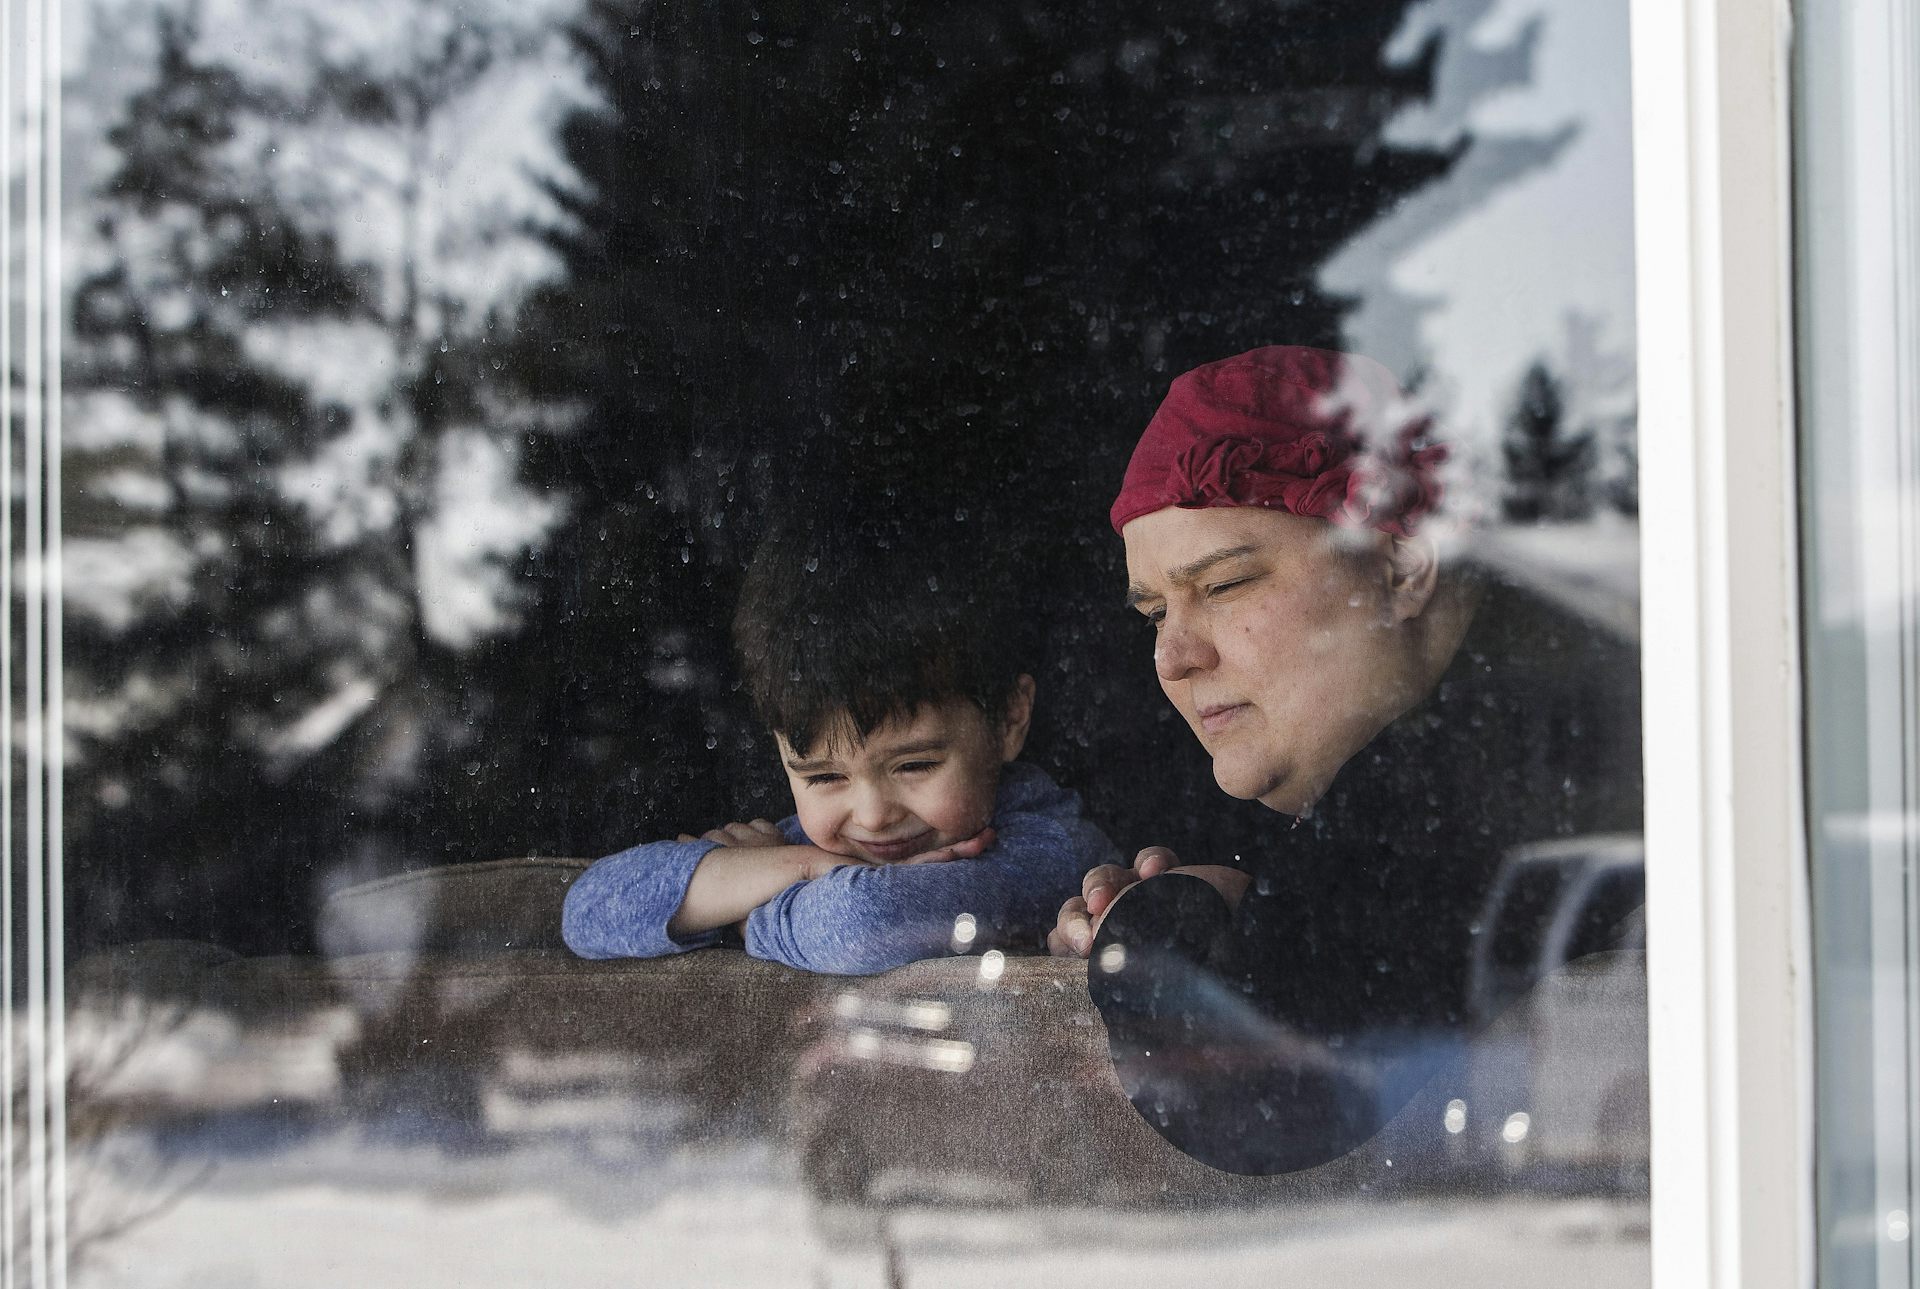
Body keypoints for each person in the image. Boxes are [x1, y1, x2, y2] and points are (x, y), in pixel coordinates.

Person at [1049, 345, 1642, 1174]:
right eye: (1153, 613)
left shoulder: (1469, 773)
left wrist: (1152, 932)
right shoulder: (1528, 717)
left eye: (1223, 585)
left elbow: (1251, 1093)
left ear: (1402, 564)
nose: (1174, 657)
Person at [562, 511, 1122, 975]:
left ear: (1009, 720)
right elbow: (587, 913)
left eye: (916, 764)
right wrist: (802, 865)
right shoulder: (804, 849)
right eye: (824, 777)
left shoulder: (1052, 854)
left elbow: (864, 922)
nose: (873, 816)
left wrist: (739, 907)